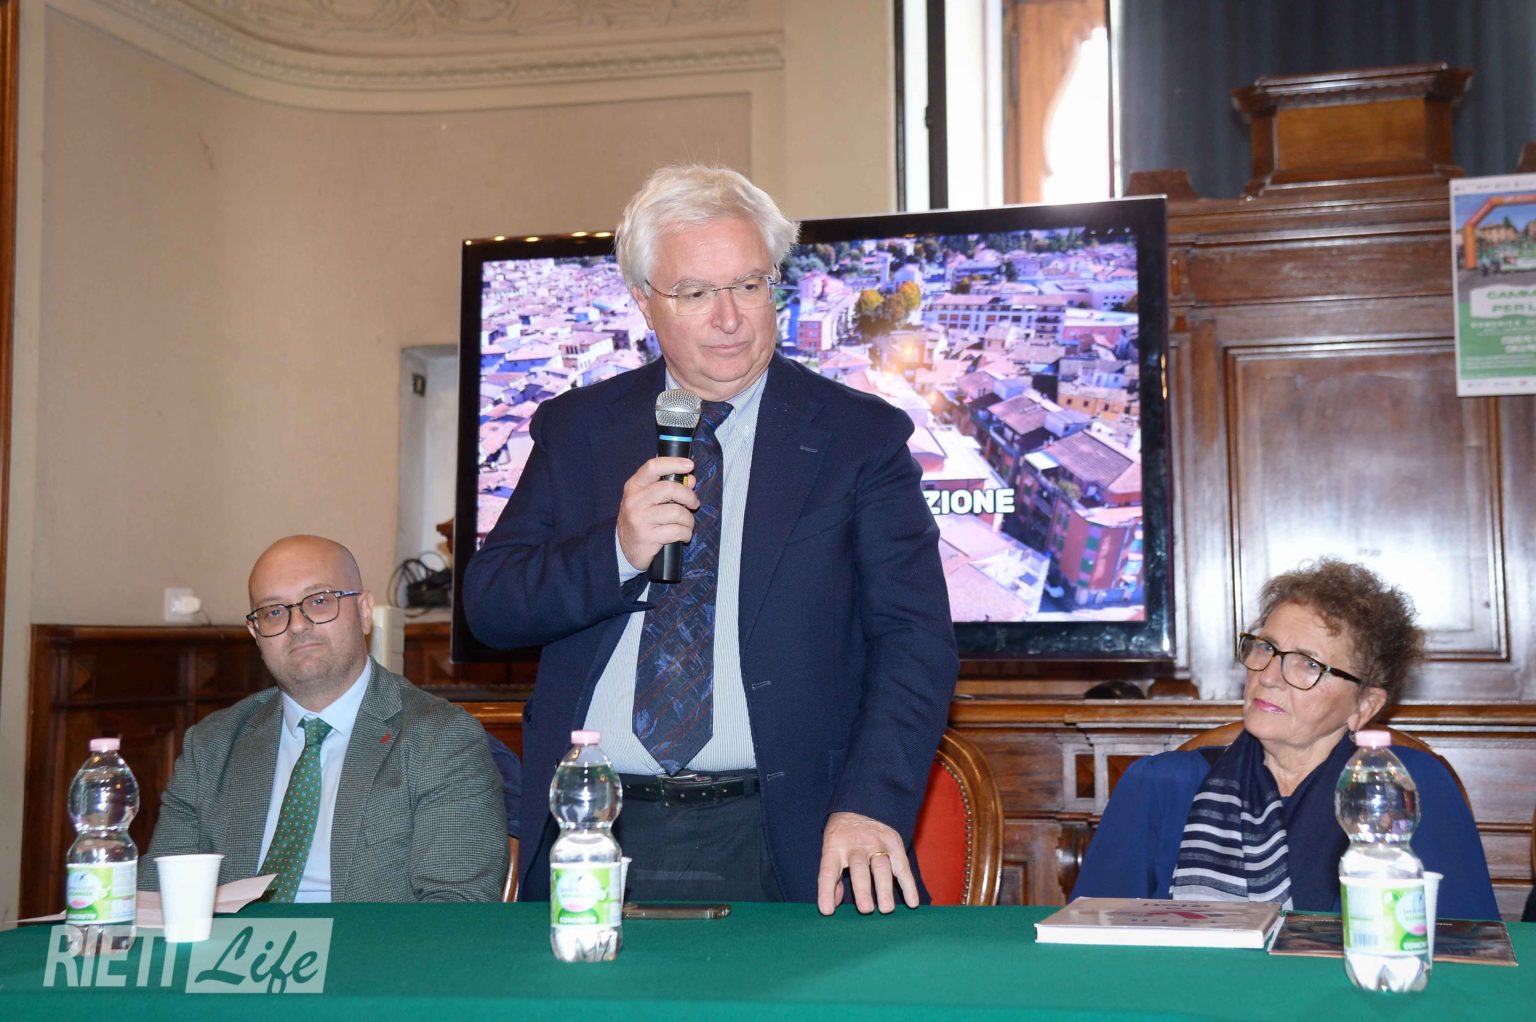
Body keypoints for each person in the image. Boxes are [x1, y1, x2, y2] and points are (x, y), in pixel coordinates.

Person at [463, 164, 958, 914]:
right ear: (644, 302)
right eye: (695, 293)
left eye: (749, 285)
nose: (730, 318)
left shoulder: (859, 438)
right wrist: (614, 552)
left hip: (789, 833)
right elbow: (491, 606)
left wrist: (869, 803)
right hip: (598, 828)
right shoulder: (577, 430)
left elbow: (915, 641)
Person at [1073, 558, 1498, 919]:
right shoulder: (1158, 785)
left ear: (1364, 705)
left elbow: (1466, 949)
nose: (1270, 676)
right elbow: (1090, 944)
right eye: (1266, 648)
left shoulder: (1408, 787)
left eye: (1308, 664)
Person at [142, 535, 507, 902]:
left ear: (365, 612)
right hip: (235, 941)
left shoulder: (441, 739)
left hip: (368, 941)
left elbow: (456, 908)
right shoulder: (211, 746)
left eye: (319, 601)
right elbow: (157, 898)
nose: (297, 625)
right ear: (256, 634)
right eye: (273, 612)